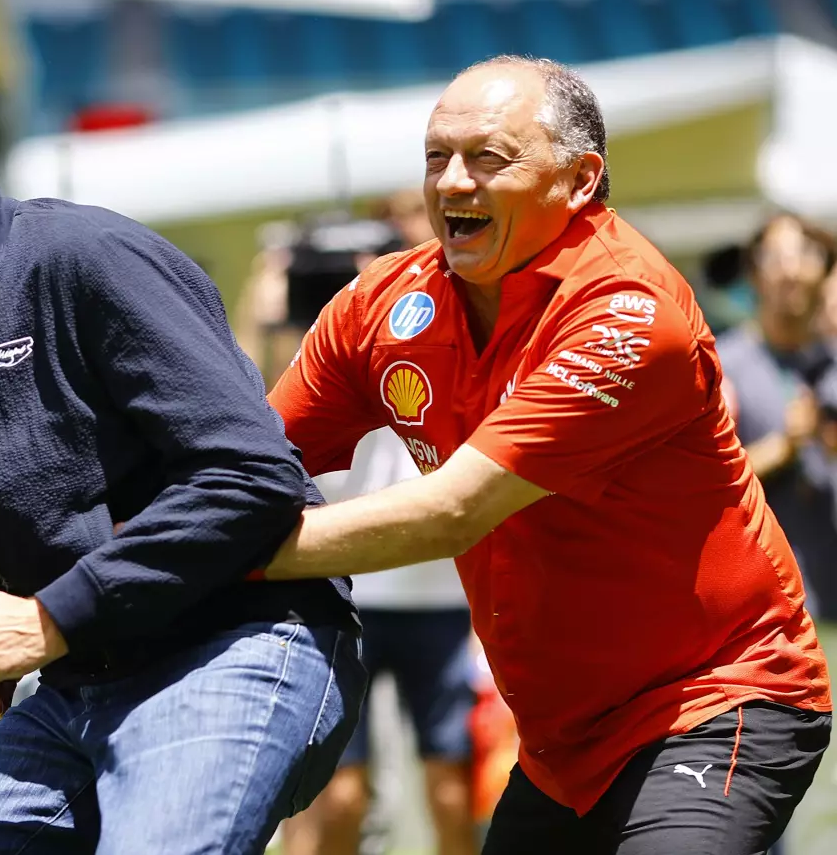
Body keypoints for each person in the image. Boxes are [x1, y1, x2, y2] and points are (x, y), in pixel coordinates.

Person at [262, 55, 832, 854]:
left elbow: (454, 511)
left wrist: (234, 552)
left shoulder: (629, 311)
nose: (453, 183)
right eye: (436, 156)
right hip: (563, 746)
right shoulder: (380, 306)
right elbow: (243, 463)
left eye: (488, 158)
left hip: (713, 699)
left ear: (579, 178)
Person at [0, 51, 365, 854]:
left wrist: (49, 617)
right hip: (79, 685)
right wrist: (10, 618)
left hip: (237, 643)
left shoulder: (82, 256)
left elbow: (253, 477)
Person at [281, 193, 478, 855]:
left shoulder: (439, 315)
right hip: (350, 596)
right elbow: (259, 419)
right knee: (336, 791)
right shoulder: (323, 333)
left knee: (451, 782)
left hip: (441, 597)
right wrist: (276, 302)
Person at [715, 215, 837, 621]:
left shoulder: (832, 365)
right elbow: (704, 486)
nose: (792, 269)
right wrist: (783, 446)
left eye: (805, 254)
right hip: (766, 617)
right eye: (776, 257)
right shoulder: (723, 366)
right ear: (753, 274)